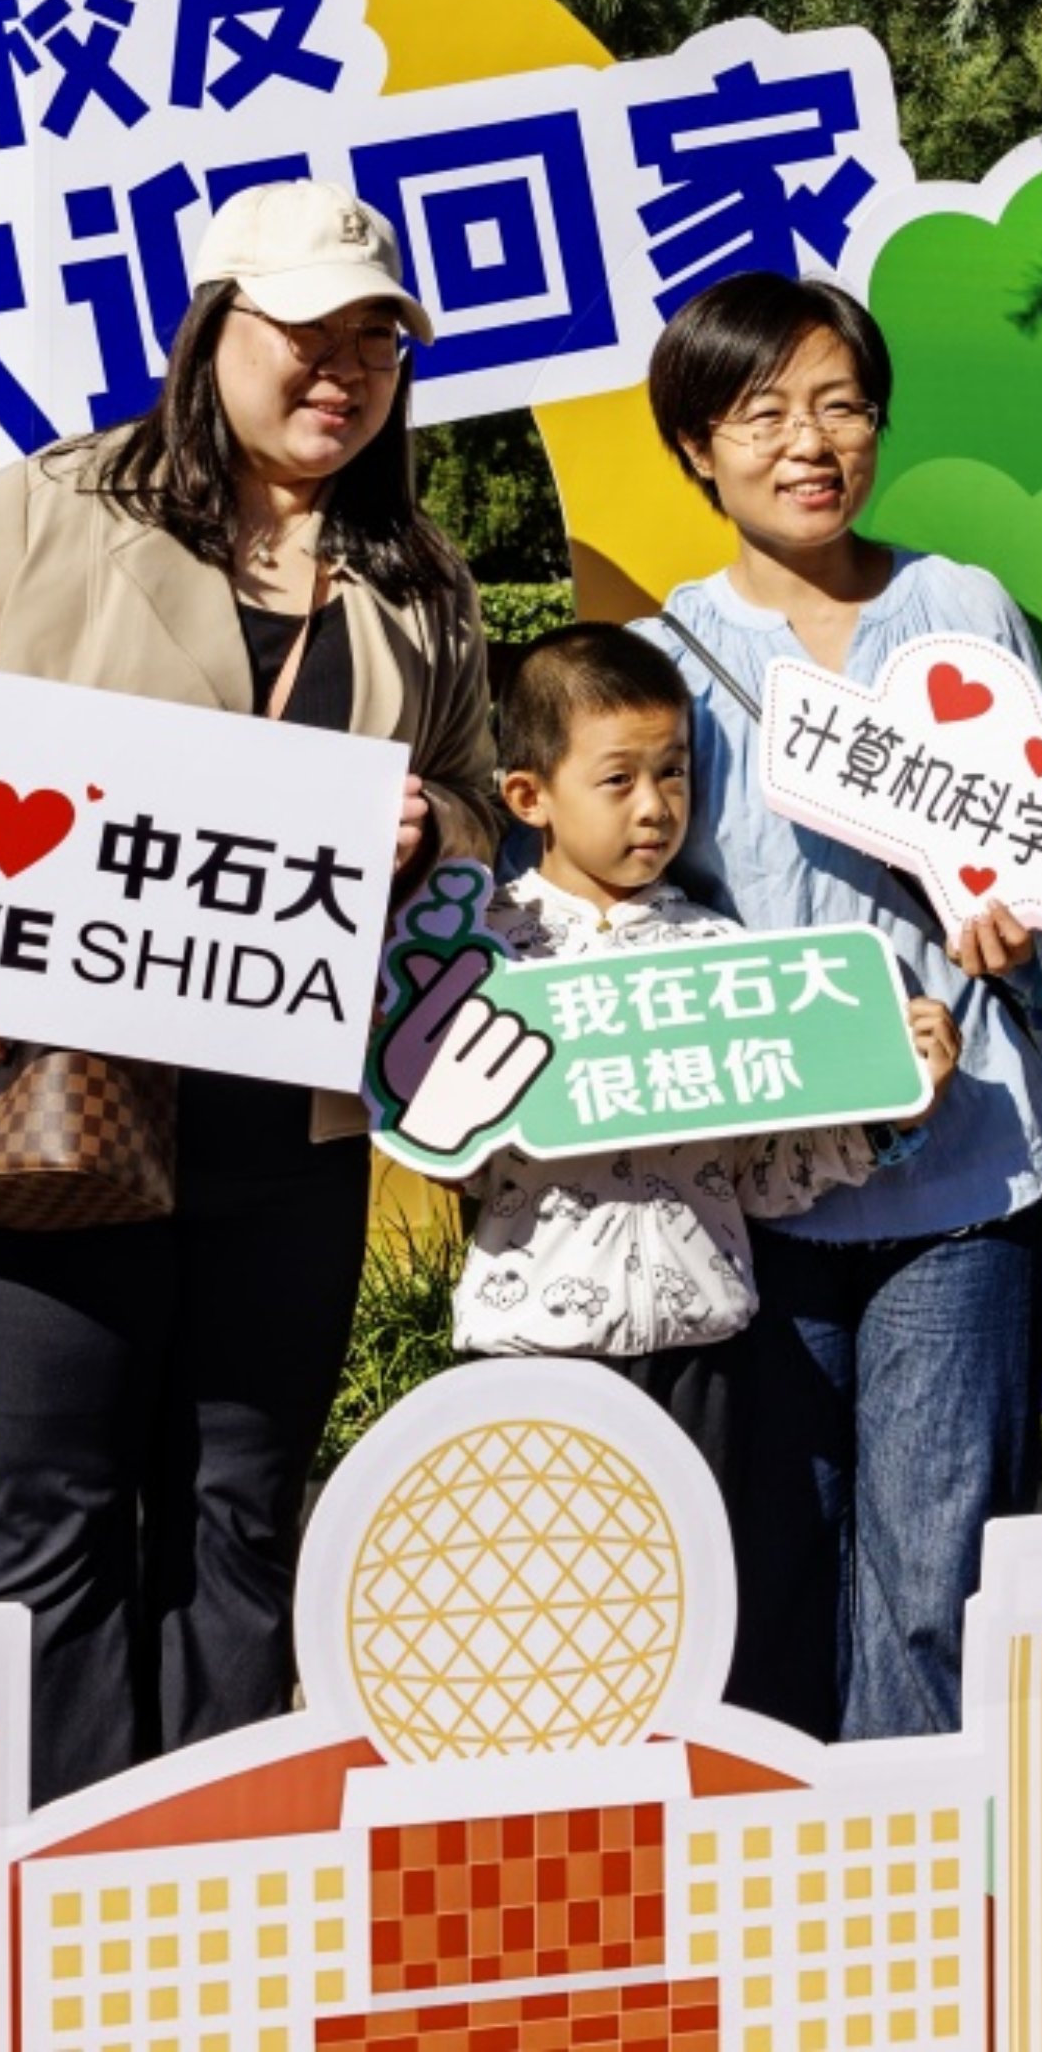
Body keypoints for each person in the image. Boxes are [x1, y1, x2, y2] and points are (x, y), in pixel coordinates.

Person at [0, 180, 501, 1801]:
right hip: (53, 1087)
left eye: (375, 341)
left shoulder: (419, 576)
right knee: (51, 1507)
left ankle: (218, 1873)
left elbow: (475, 800)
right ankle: (53, 1878)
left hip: (293, 1116)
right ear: (214, 331)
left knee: (241, 1509)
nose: (341, 370)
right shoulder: (51, 509)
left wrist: (430, 829)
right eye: (306, 331)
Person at [633, 270, 1042, 1744]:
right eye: (762, 413)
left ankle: (915, 1872)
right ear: (697, 447)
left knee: (939, 1586)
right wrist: (803, 1034)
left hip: (966, 1175)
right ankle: (771, 1865)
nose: (809, 443)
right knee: (762, 1578)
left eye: (840, 405)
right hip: (755, 1193)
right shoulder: (667, 659)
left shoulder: (962, 607)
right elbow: (634, 911)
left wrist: (1019, 939)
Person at [431, 623, 958, 1500]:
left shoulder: (725, 961)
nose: (654, 805)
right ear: (529, 795)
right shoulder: (486, 958)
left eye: (673, 771)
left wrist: (886, 1118)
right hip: (528, 1350)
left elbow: (758, 1176)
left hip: (705, 1355)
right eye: (618, 779)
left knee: (696, 1582)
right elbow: (457, 1162)